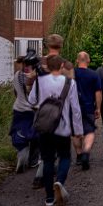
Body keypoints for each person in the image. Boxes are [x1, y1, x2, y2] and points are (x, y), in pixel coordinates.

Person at [28, 54, 83, 206]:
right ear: (61, 67)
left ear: (48, 67)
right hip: (62, 127)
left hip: (44, 127)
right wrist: (77, 129)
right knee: (65, 157)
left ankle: (49, 198)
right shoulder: (69, 82)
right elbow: (75, 108)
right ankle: (59, 181)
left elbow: (31, 100)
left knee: (47, 160)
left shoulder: (39, 81)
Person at [24, 34, 68, 187]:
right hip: (59, 108)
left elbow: (28, 81)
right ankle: (46, 175)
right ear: (61, 46)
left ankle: (40, 174)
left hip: (41, 108)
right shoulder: (65, 64)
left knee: (45, 143)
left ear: (46, 46)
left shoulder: (39, 63)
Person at [10, 53, 40, 174]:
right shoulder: (35, 77)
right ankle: (33, 160)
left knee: (19, 132)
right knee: (35, 136)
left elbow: (15, 92)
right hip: (32, 110)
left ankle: (22, 151)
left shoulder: (17, 75)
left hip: (18, 109)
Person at [72, 51, 102, 170]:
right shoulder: (94, 75)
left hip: (73, 108)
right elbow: (98, 92)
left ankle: (79, 154)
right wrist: (98, 108)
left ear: (77, 61)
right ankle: (86, 153)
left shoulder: (71, 74)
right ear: (88, 61)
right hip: (89, 106)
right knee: (89, 131)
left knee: (75, 133)